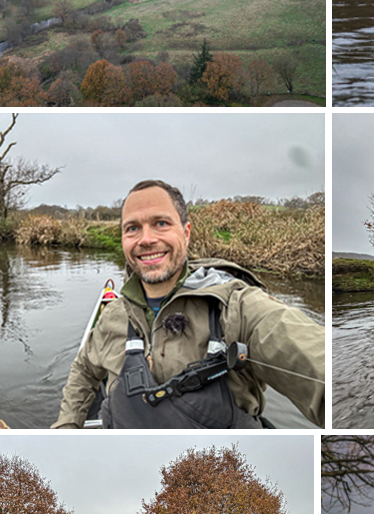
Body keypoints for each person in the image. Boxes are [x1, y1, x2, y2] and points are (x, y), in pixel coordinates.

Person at [54, 180, 324, 428]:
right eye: (133, 228)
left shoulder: (239, 308)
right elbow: (85, 369)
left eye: (161, 223)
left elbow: (317, 366)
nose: (146, 239)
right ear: (123, 239)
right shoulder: (113, 314)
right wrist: (67, 427)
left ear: (186, 232)